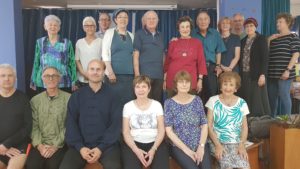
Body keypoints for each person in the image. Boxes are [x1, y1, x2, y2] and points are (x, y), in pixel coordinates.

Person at [59, 59, 122, 169]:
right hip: (80, 147)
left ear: (103, 72)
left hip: (107, 147)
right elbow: (71, 124)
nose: (95, 72)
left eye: (98, 69)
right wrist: (80, 148)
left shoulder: (113, 96)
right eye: (92, 69)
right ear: (87, 72)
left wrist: (100, 148)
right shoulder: (76, 96)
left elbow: (115, 125)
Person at [26, 66, 70, 169]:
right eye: (47, 76)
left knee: (53, 165)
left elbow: (70, 125)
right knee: (32, 165)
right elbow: (33, 126)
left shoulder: (69, 99)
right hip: (40, 144)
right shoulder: (35, 101)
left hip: (60, 145)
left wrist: (55, 146)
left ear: (59, 78)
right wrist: (40, 146)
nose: (51, 78)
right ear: (42, 79)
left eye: (54, 76)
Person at [122, 75, 169, 169]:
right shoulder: (127, 106)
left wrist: (153, 149)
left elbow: (161, 130)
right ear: (134, 89)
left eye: (144, 86)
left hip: (156, 143)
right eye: (137, 86)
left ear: (149, 89)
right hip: (134, 143)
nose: (141, 90)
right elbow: (126, 132)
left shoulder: (157, 105)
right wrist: (136, 150)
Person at [164, 70, 208, 169]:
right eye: (181, 82)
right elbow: (169, 131)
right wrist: (186, 150)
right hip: (179, 146)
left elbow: (204, 124)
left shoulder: (197, 100)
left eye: (187, 82)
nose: (184, 84)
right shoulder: (169, 103)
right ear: (175, 84)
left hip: (199, 142)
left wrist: (201, 146)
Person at [206, 71, 250, 169]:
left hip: (236, 142)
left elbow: (244, 127)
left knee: (244, 167)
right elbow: (208, 125)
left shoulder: (242, 103)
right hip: (217, 141)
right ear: (221, 86)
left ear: (236, 88)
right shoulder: (213, 101)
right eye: (225, 84)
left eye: (231, 85)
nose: (228, 87)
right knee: (227, 167)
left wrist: (242, 145)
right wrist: (217, 145)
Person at [30, 14, 76, 93]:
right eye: (50, 25)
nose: (53, 27)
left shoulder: (67, 43)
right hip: (43, 81)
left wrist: (74, 80)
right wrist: (33, 79)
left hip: (63, 81)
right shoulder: (40, 42)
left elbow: (72, 63)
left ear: (59, 28)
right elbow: (36, 62)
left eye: (55, 25)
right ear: (45, 26)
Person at [164, 16, 207, 98]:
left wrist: (200, 80)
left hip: (190, 82)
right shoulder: (173, 43)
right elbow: (167, 63)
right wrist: (165, 80)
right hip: (172, 81)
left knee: (190, 108)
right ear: (178, 29)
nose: (185, 29)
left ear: (191, 28)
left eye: (187, 27)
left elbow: (201, 62)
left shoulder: (197, 43)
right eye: (182, 27)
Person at [268, 13, 300, 117]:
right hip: (272, 73)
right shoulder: (273, 38)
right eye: (277, 22)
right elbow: (266, 53)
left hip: (285, 72)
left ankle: (288, 121)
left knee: (284, 95)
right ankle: (272, 121)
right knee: (272, 98)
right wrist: (268, 40)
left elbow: (296, 54)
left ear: (288, 23)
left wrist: (288, 69)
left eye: (280, 21)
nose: (277, 23)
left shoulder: (293, 36)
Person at [0, 64, 32, 169]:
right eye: (3, 75)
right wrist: (2, 147)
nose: (6, 79)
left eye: (10, 75)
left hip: (19, 146)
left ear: (15, 78)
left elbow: (28, 127)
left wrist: (7, 144)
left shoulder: (23, 99)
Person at [192, 10, 226, 104]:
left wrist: (218, 65)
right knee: (197, 94)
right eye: (200, 19)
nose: (203, 21)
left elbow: (218, 51)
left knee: (212, 94)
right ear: (197, 22)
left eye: (205, 19)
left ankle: (211, 117)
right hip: (196, 68)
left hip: (211, 68)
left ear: (209, 20)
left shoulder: (215, 33)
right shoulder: (192, 34)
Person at [102, 9, 134, 106]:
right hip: (113, 76)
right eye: (120, 17)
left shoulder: (131, 36)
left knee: (128, 104)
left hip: (129, 76)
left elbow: (133, 55)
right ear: (115, 20)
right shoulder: (109, 33)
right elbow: (105, 53)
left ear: (128, 20)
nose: (123, 19)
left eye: (125, 17)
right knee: (113, 103)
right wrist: (110, 72)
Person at [239, 17, 270, 117]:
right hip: (244, 74)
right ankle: (249, 122)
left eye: (251, 26)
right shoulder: (243, 41)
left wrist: (263, 75)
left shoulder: (261, 39)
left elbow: (265, 58)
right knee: (247, 98)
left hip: (256, 75)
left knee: (258, 100)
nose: (249, 28)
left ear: (255, 27)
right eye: (247, 26)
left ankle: (261, 123)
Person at [133, 10, 165, 102]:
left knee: (156, 103)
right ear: (144, 21)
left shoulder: (161, 35)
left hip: (159, 76)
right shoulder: (139, 34)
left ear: (158, 20)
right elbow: (136, 55)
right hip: (144, 76)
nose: (151, 20)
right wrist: (137, 76)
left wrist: (164, 76)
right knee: (143, 102)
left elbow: (163, 55)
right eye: (149, 19)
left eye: (154, 18)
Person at [75, 16, 102, 87]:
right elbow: (77, 60)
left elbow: (104, 60)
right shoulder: (79, 42)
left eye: (92, 25)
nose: (89, 28)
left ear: (95, 27)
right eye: (86, 26)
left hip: (97, 78)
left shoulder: (101, 42)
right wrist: (84, 73)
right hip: (83, 78)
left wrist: (96, 73)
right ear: (83, 28)